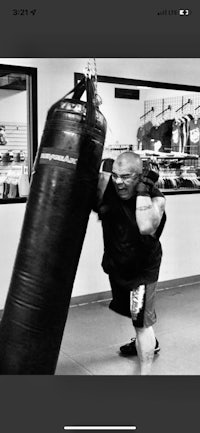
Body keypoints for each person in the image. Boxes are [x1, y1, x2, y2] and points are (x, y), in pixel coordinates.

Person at [94, 151, 166, 375]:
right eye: (116, 175)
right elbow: (96, 203)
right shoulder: (111, 187)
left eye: (126, 177)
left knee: (141, 324)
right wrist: (102, 174)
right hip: (118, 264)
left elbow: (145, 226)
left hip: (142, 271)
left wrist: (143, 189)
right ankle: (148, 342)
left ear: (139, 176)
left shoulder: (156, 198)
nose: (119, 182)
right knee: (136, 317)